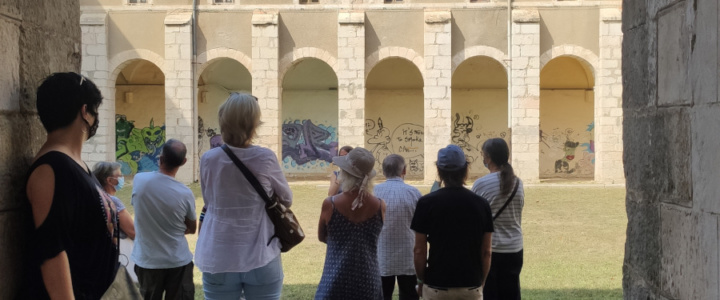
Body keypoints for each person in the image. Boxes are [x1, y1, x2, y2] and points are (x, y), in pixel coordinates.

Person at [24, 72, 119, 299]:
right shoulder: (52, 169)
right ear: (85, 112)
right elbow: (52, 253)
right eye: (95, 111)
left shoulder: (74, 165)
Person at [195, 93, 292, 300]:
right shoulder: (265, 158)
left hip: (217, 253)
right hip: (261, 252)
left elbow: (209, 200)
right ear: (254, 124)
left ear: (223, 120)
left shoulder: (208, 159)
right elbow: (286, 199)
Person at [411, 145, 494, 300]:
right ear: (465, 170)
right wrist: (481, 282)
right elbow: (486, 251)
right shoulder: (481, 204)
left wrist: (420, 281)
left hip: (436, 284)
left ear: (439, 171)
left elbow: (419, 250)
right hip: (470, 283)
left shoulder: (426, 203)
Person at [315, 147, 386, 300]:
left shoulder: (330, 204)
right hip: (368, 278)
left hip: (335, 276)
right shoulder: (380, 205)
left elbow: (322, 237)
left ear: (345, 174)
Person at [132, 139, 197, 300]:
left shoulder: (139, 180)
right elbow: (192, 228)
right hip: (178, 261)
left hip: (147, 261)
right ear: (184, 162)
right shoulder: (185, 193)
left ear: (160, 159)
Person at [471, 138, 525, 300]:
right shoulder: (518, 183)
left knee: (489, 294)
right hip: (515, 247)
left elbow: (475, 217)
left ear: (488, 157)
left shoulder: (481, 184)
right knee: (511, 293)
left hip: (490, 248)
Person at [374, 154, 421, 300]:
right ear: (404, 171)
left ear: (383, 171)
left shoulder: (374, 192)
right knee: (409, 295)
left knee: (382, 295)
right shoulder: (414, 193)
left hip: (380, 256)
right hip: (408, 256)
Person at [93, 161, 138, 282]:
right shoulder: (113, 201)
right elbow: (133, 231)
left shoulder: (96, 197)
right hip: (120, 256)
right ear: (110, 180)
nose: (122, 178)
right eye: (119, 175)